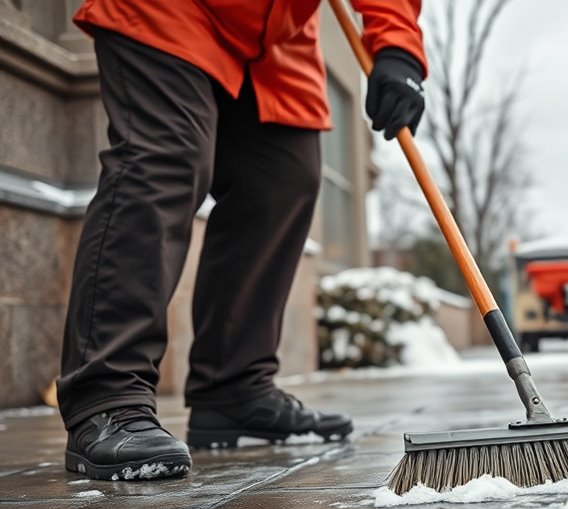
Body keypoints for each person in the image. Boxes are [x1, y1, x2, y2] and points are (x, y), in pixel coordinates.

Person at [58, 0, 427, 481]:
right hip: (171, 9)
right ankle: (106, 395)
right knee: (167, 157)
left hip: (275, 37)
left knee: (283, 176)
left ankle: (233, 390)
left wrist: (397, 49)